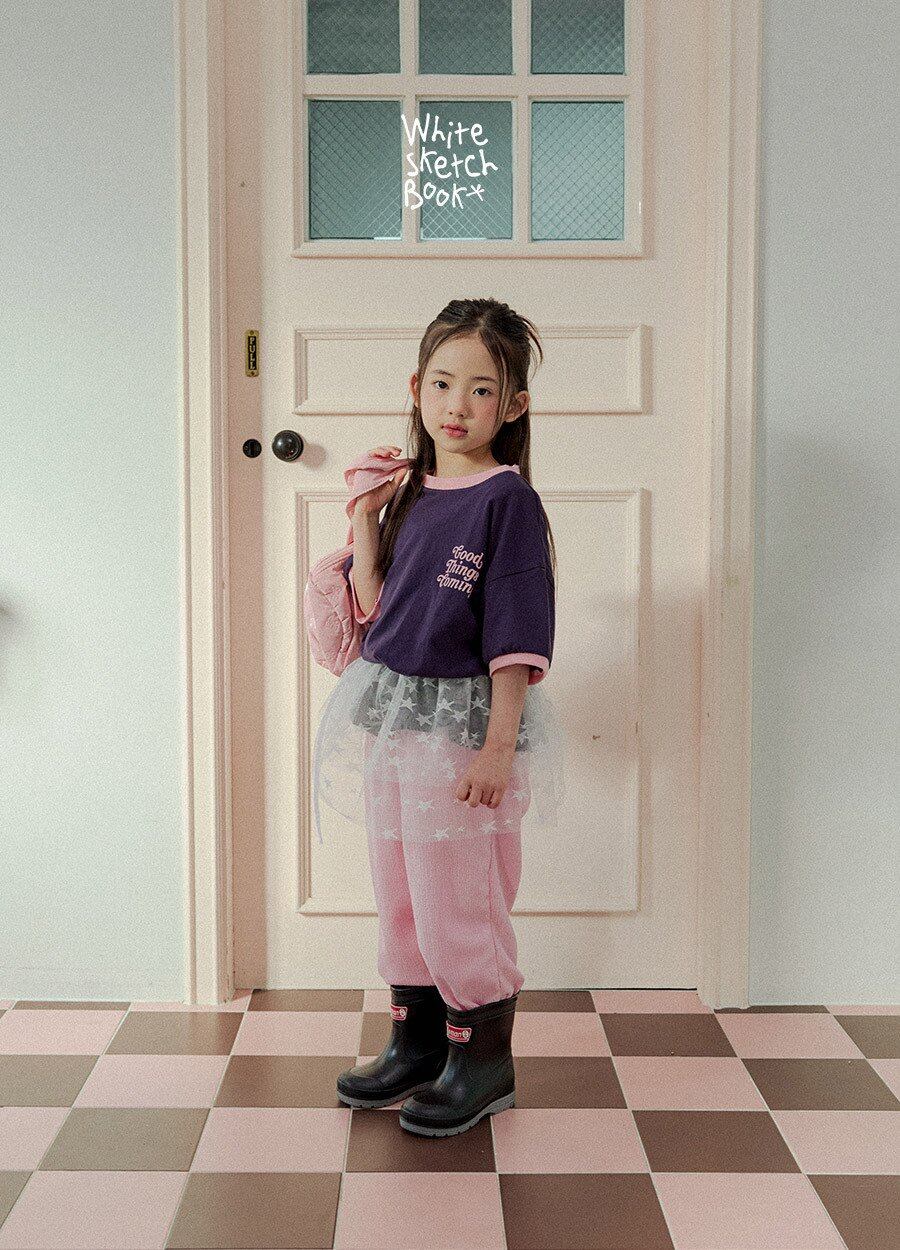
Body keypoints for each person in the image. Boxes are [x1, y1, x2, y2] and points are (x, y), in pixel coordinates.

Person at [312, 298, 567, 1137]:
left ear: (514, 405)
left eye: (482, 390)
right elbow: (378, 605)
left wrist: (498, 746)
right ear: (417, 388)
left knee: (458, 891)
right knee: (401, 887)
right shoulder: (410, 492)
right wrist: (365, 516)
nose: (458, 406)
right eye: (444, 384)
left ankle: (481, 1056)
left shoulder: (506, 502)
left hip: (461, 729)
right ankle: (418, 1041)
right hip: (392, 719)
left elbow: (516, 632)